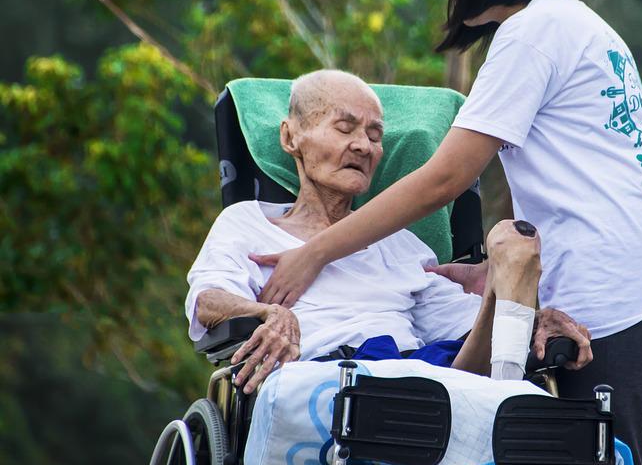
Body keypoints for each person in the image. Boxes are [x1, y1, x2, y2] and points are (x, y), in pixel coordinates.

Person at [251, 0, 642, 465]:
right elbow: (591, 180)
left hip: (606, 294)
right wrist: (493, 275)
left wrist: (316, 251)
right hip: (631, 276)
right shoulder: (578, 25)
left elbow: (446, 179)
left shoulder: (530, 34)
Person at [185, 69, 592, 395]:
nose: (364, 146)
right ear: (291, 137)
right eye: (345, 128)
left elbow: (461, 326)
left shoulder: (401, 245)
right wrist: (267, 313)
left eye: (375, 135)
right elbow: (207, 301)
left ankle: (496, 388)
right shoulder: (249, 222)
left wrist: (534, 318)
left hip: (416, 372)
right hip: (317, 377)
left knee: (508, 250)